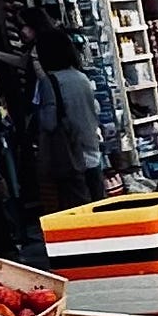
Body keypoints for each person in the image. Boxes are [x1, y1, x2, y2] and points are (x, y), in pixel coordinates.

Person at [33, 27, 105, 200]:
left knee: (77, 205)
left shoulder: (49, 82)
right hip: (91, 148)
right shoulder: (82, 78)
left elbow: (49, 122)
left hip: (69, 154)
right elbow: (95, 109)